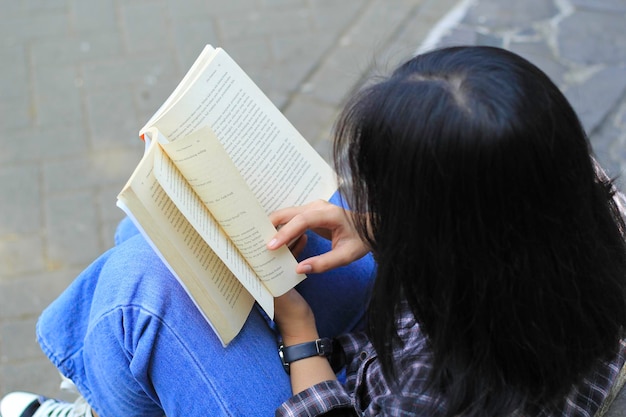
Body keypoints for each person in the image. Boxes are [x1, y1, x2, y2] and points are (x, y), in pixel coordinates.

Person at [2, 45, 626, 417]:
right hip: (419, 335)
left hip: (359, 390)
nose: (369, 200)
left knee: (141, 290)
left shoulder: (441, 385)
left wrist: (299, 332)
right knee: (166, 231)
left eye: (390, 198)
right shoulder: (579, 206)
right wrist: (372, 228)